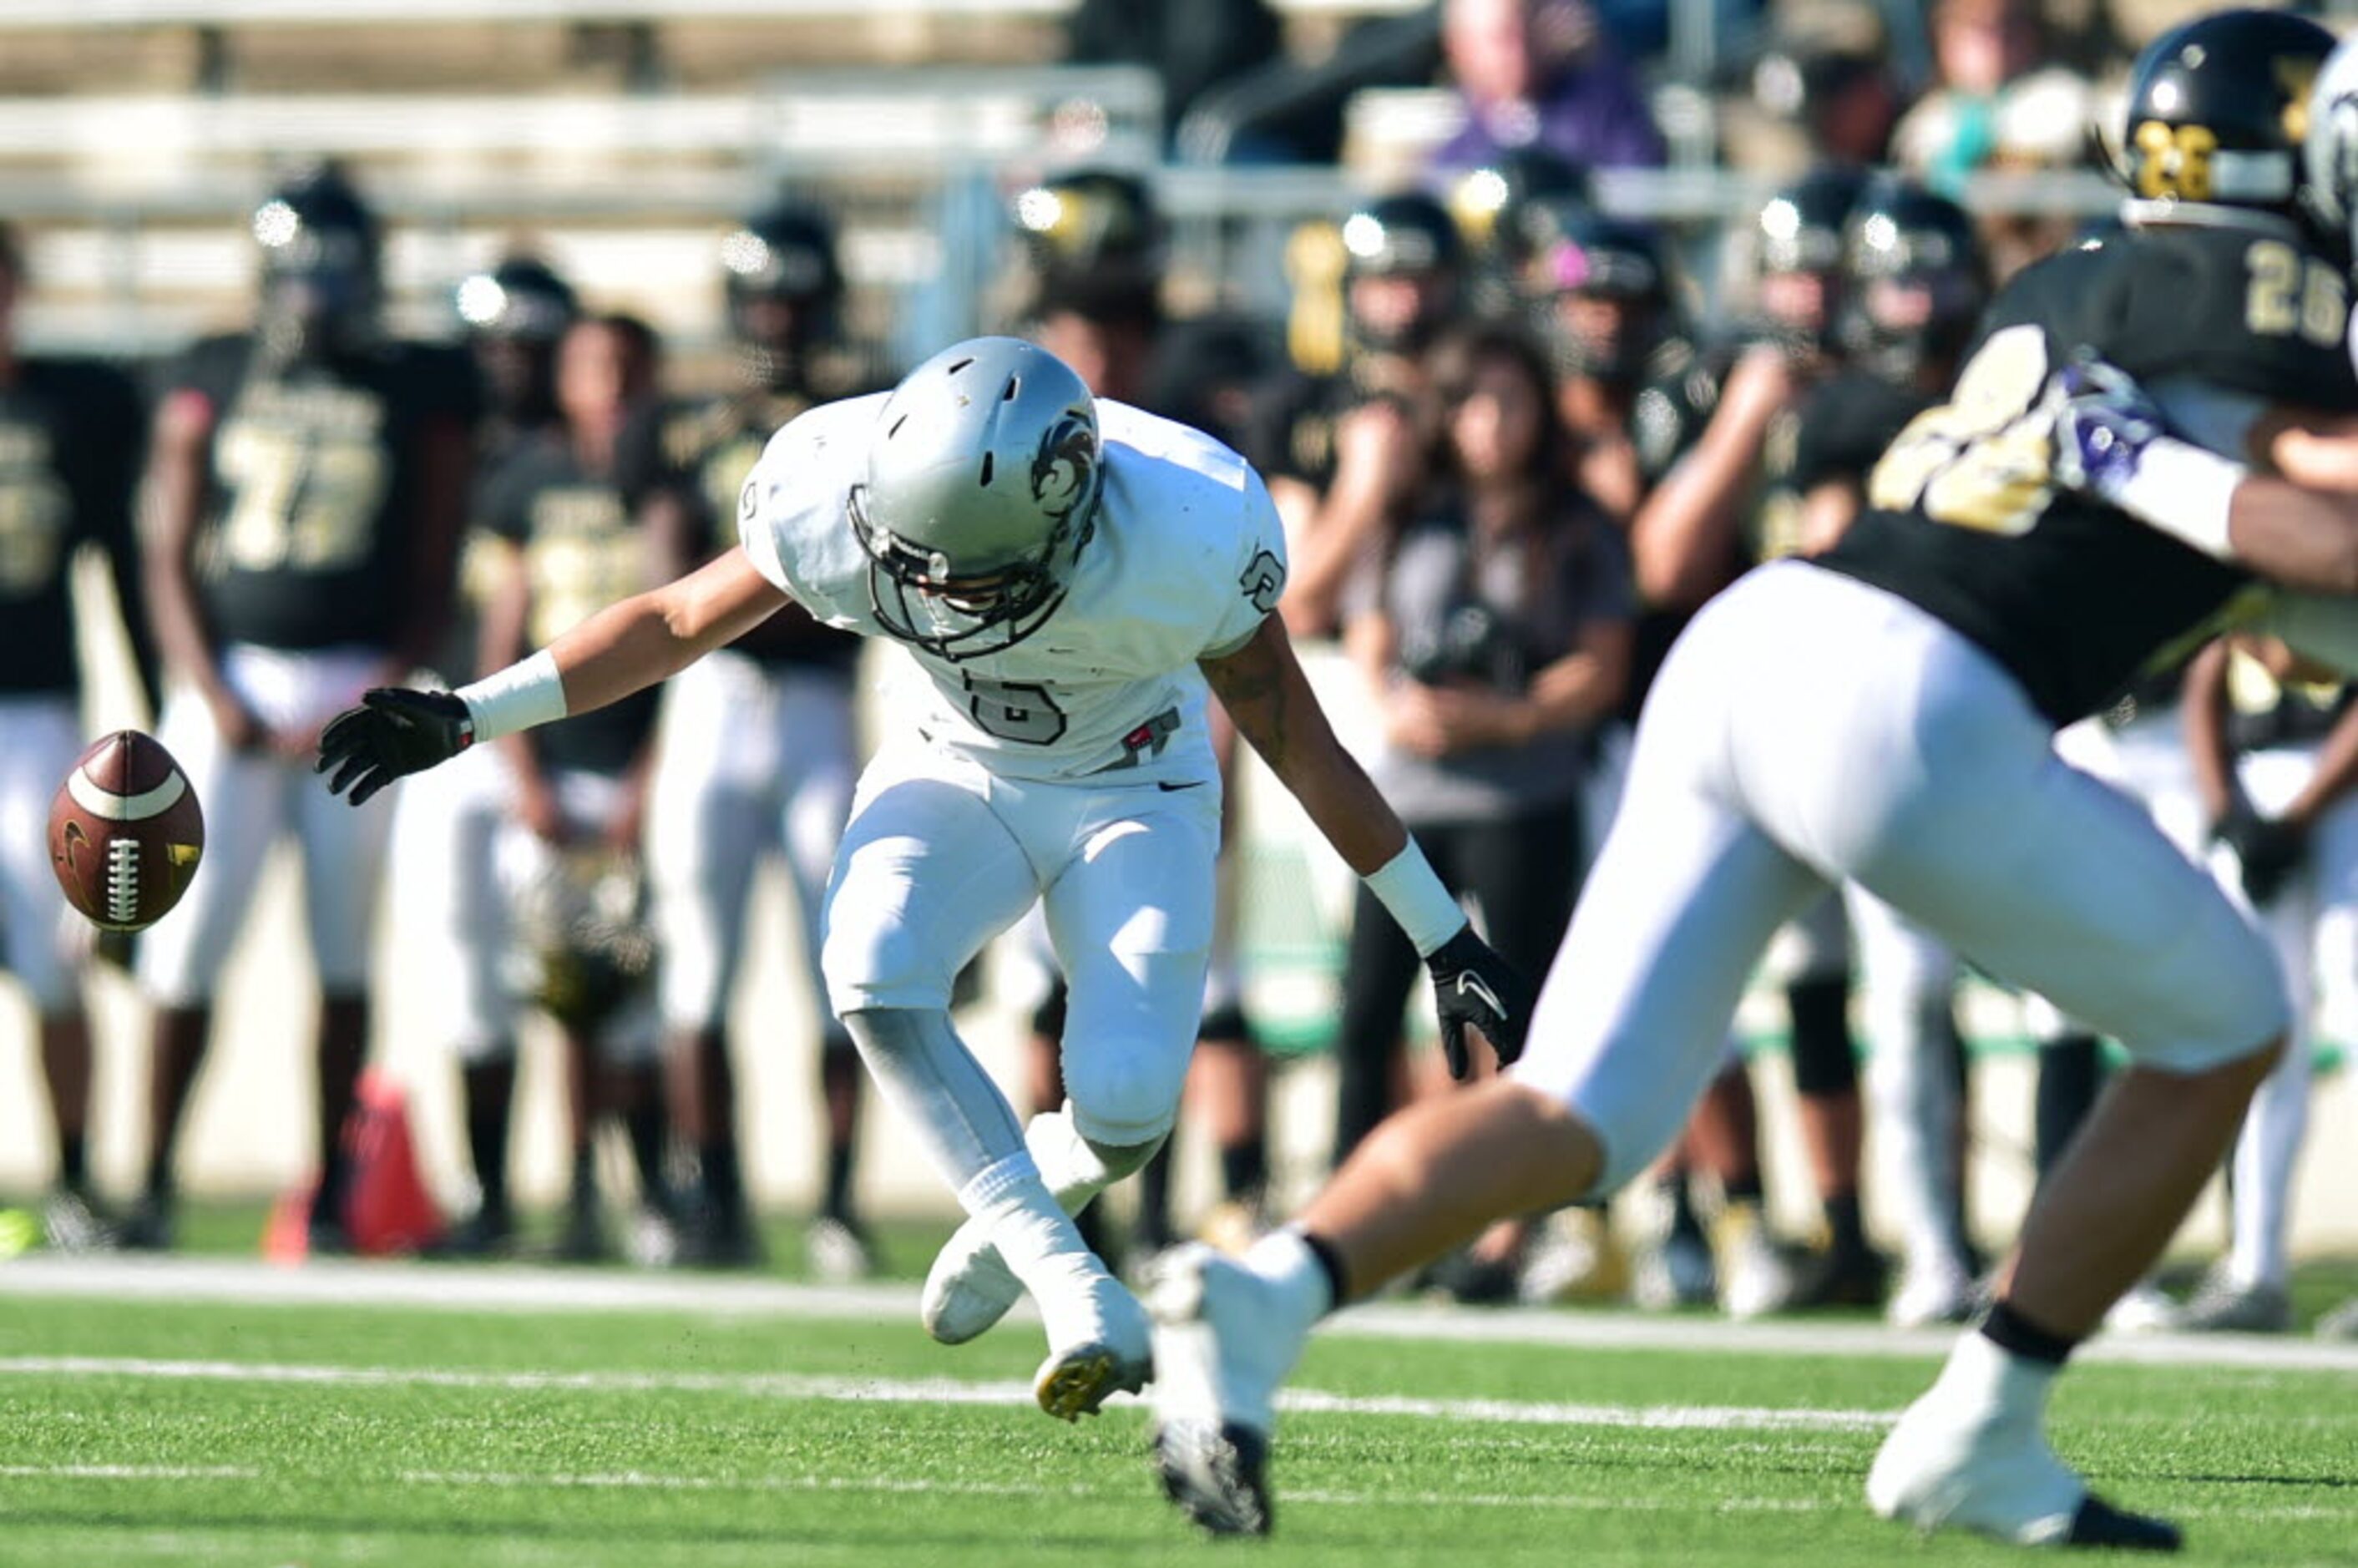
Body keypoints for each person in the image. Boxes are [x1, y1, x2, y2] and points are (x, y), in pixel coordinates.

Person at [1143, 8, 2350, 1544]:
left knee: (1582, 1114)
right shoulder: (2249, 291)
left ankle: (1263, 1291)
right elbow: (2298, 515)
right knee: (2225, 1020)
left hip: (1755, 647)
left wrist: (2196, 514)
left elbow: (2283, 542)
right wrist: (2163, 484)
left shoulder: (2071, 283)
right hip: (1917, 689)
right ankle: (1978, 1426)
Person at [316, 335, 1528, 1424]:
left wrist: (1439, 932)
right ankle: (1071, 1281)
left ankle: (1033, 1195)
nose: (940, 589)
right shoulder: (838, 482)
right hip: (957, 763)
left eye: (975, 570)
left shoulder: (1188, 530)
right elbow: (681, 618)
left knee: (1124, 1108)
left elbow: (1295, 735)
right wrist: (471, 713)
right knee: (870, 960)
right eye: (920, 559)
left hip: (1136, 785)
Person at [129, 164, 477, 1253]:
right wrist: (208, 688)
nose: (321, 292)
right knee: (183, 949)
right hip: (230, 682)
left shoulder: (414, 381)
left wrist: (385, 684)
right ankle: (148, 1179)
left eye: (340, 269)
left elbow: (439, 556)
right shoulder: (212, 365)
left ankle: (330, 1187)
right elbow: (168, 550)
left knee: (340, 954)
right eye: (306, 270)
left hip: (352, 681)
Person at [1328, 321, 1632, 1302]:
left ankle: (1514, 1234)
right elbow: (1365, 636)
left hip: (1522, 795)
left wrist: (1505, 716)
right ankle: (1348, 1223)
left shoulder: (1576, 522)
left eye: (1510, 403)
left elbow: (1600, 665)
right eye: (1471, 404)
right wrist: (1401, 708)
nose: (1491, 425)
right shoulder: (1412, 517)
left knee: (1522, 1015)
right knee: (1367, 1011)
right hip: (1410, 803)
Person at [623, 200, 874, 1271]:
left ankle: (834, 1201)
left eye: (793, 291)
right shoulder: (686, 420)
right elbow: (664, 576)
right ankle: (712, 1194)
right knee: (700, 965)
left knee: (852, 963)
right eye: (762, 292)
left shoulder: (873, 408)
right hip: (715, 698)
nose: (776, 311)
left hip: (821, 702)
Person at [478, 313, 674, 1263]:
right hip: (553, 771)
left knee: (637, 999)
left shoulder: (666, 484)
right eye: (594, 365)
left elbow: (685, 643)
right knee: (565, 995)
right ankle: (579, 1195)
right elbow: (503, 633)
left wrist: (650, 782)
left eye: (626, 367)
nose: (611, 384)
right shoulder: (532, 479)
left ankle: (651, 1195)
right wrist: (519, 771)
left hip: (636, 769)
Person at [404, 251, 580, 1258]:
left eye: (530, 344)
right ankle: (489, 1192)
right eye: (498, 343)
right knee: (465, 965)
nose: (511, 363)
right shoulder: (440, 441)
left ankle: (596, 1188)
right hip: (436, 722)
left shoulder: (576, 457)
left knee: (565, 963)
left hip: (541, 733)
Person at [0, 220, 158, 1251]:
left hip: (30, 706)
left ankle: (75, 1176)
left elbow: (119, 563)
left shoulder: (72, 405)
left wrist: (151, 704)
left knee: (55, 958)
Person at [2173, 635, 2358, 1333]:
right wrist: (2227, 809)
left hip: (2341, 779)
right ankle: (2255, 1267)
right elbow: (2210, 667)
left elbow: (2284, 657)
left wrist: (2302, 809)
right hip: (2252, 774)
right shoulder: (2253, 531)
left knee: (2354, 1005)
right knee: (2261, 1031)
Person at [1427, 0, 1665, 180]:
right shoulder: (1456, 149)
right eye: (1501, 38)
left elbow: (1637, 204)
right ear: (1459, 47)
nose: (1518, 50)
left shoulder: (1604, 111)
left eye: (1527, 32)